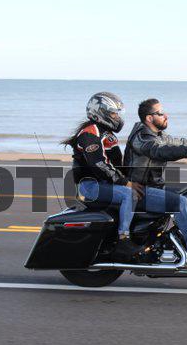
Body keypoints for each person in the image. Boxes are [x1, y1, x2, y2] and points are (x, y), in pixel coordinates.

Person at [123, 98, 187, 267]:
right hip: (140, 191)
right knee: (179, 202)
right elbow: (161, 151)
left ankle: (184, 240)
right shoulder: (142, 138)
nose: (166, 116)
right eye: (160, 113)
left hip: (153, 188)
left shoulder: (157, 135)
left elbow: (179, 142)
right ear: (149, 118)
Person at [61, 92, 144, 245]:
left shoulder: (105, 132)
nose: (117, 117)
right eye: (113, 113)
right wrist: (125, 182)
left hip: (104, 183)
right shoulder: (90, 133)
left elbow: (116, 164)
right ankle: (124, 238)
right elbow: (99, 164)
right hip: (90, 186)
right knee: (130, 195)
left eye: (117, 113)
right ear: (100, 112)